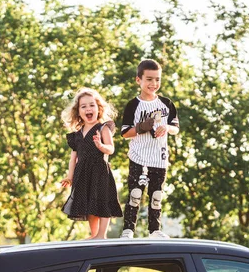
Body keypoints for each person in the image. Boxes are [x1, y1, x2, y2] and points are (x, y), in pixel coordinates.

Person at [119, 59, 180, 239]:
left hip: (159, 158)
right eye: (149, 79)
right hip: (139, 156)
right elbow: (124, 133)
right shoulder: (133, 105)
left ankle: (154, 230)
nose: (154, 84)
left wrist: (167, 128)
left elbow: (176, 128)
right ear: (139, 80)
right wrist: (140, 127)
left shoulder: (167, 104)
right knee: (135, 194)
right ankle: (128, 229)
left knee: (157, 195)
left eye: (157, 80)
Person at [61, 87, 123, 239]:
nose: (88, 108)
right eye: (84, 106)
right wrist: (70, 176)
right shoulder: (77, 135)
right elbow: (73, 158)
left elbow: (111, 148)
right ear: (78, 111)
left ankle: (102, 234)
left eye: (91, 105)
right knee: (89, 203)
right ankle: (94, 234)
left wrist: (101, 146)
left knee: (102, 200)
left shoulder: (103, 128)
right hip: (82, 173)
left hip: (99, 171)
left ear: (98, 108)